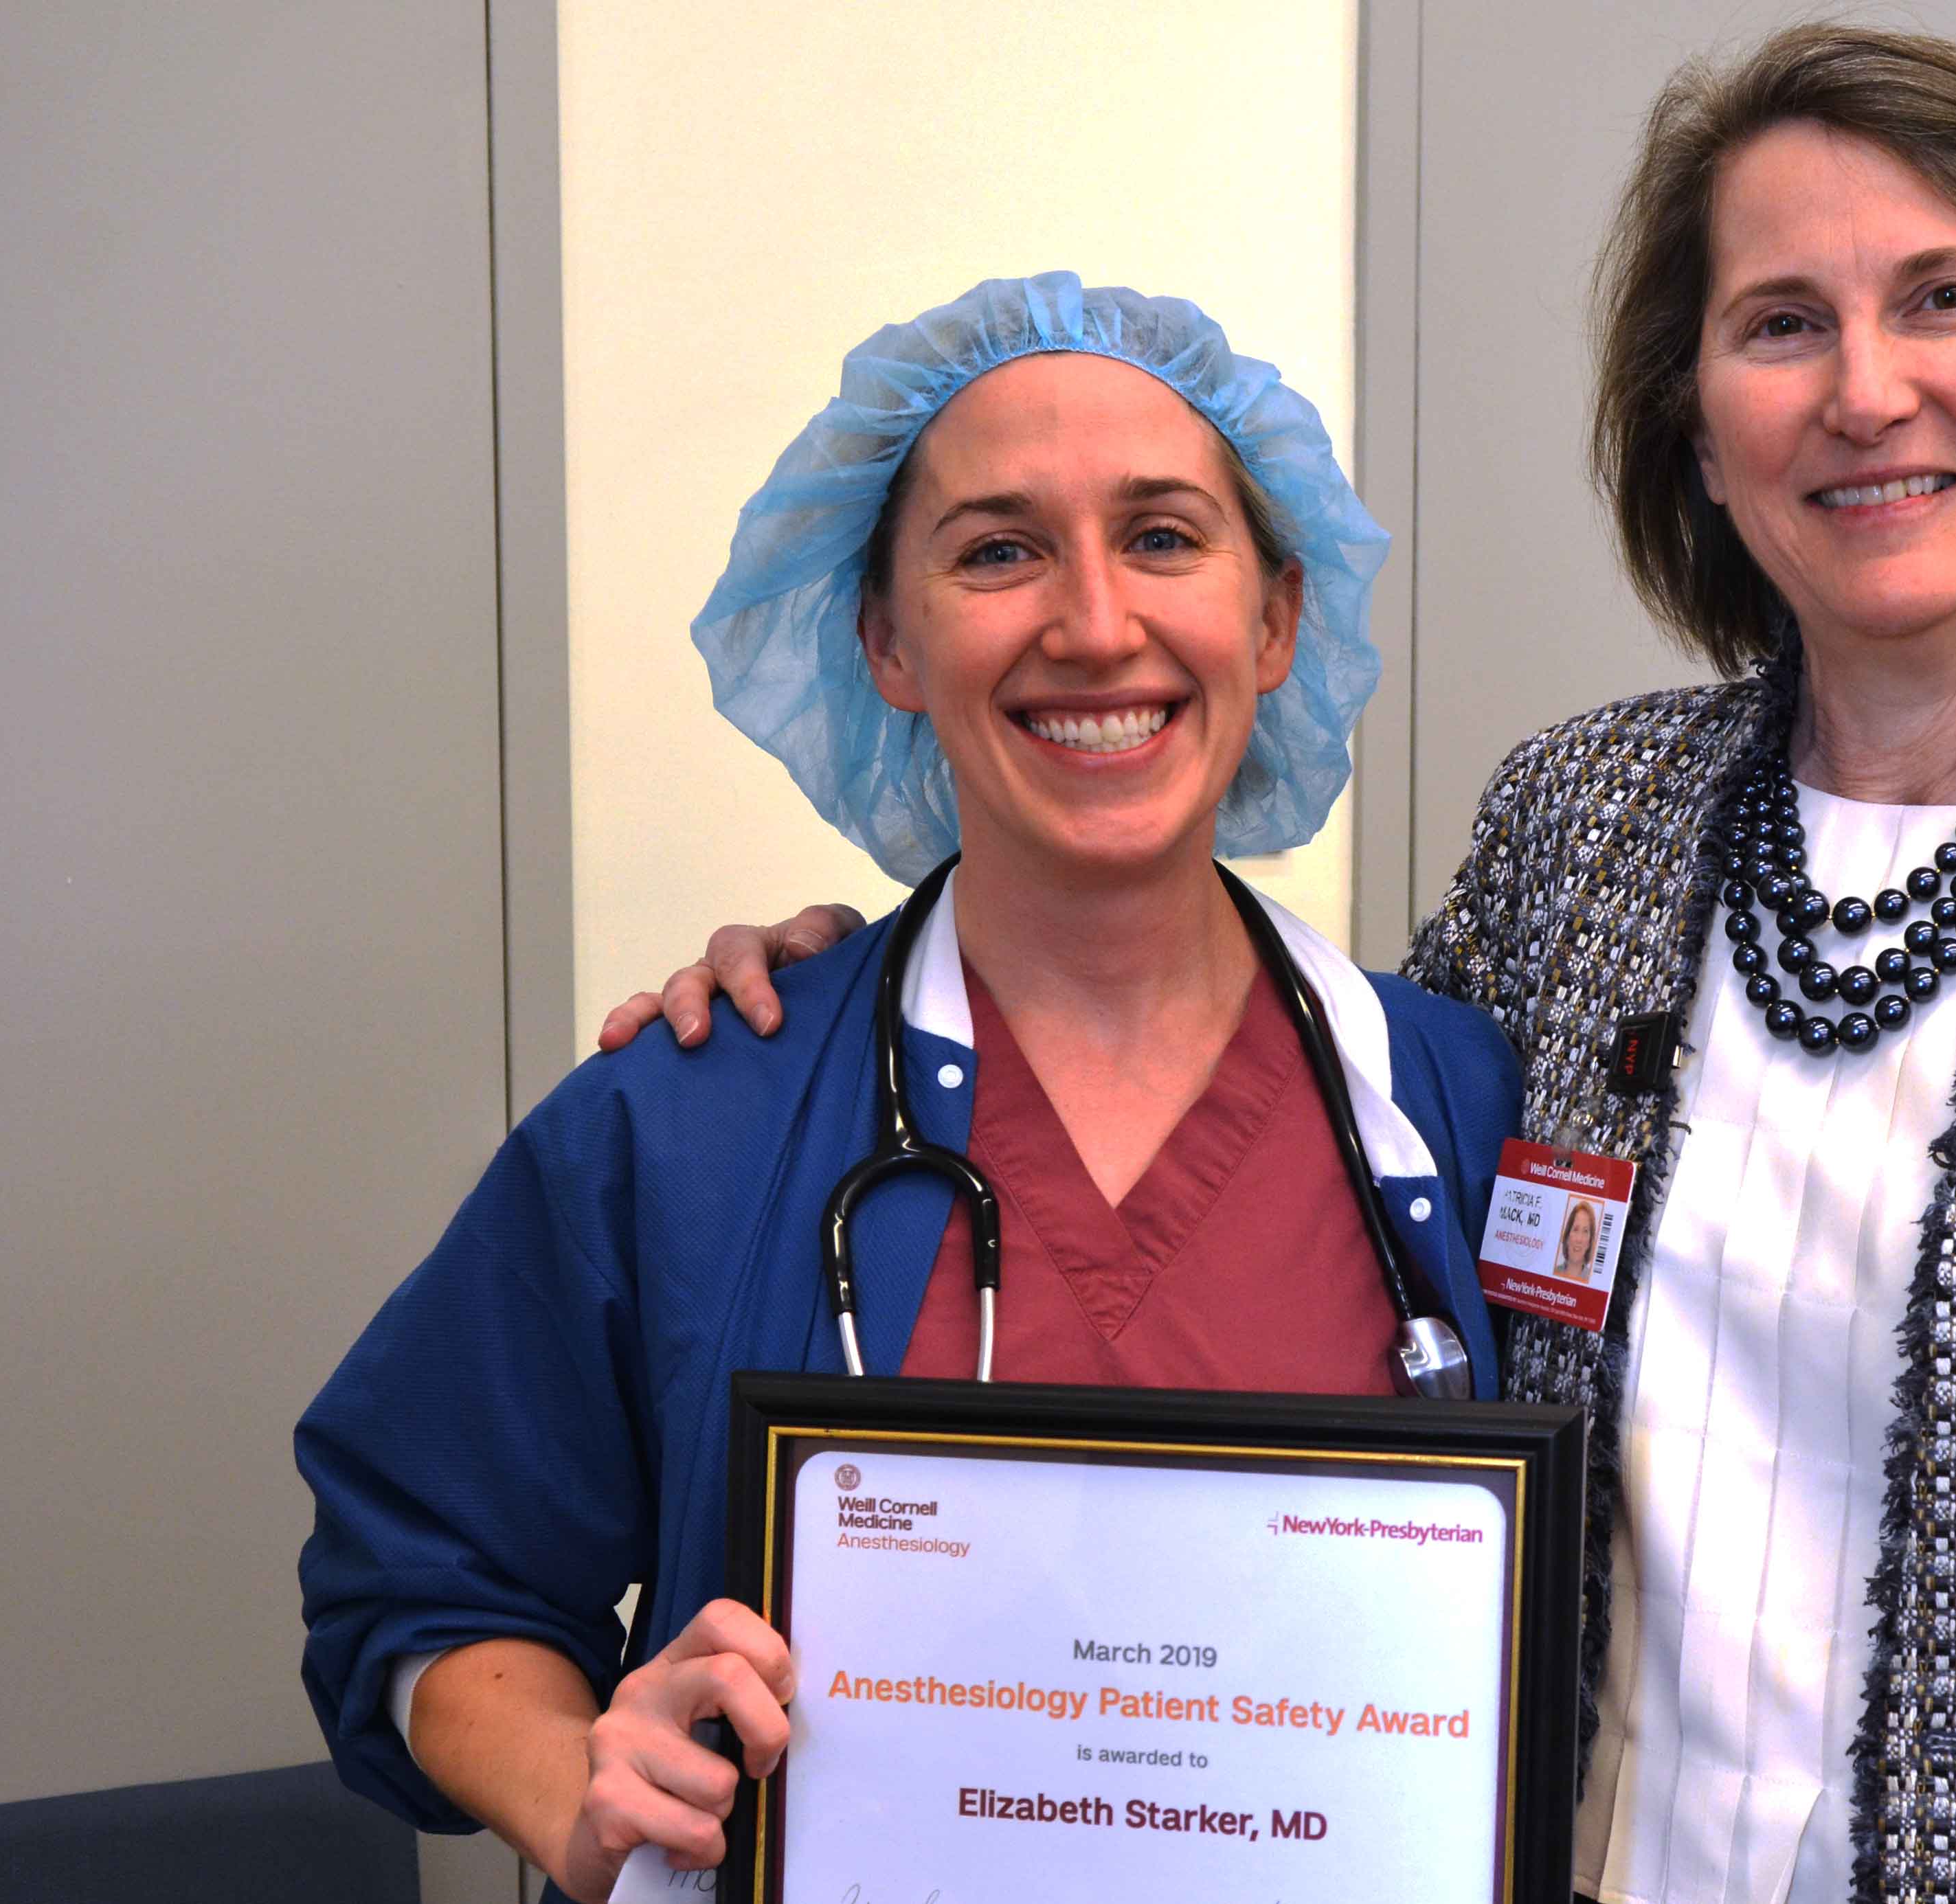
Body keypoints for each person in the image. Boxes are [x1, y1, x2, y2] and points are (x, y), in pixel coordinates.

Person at [616, 28, 1956, 1900]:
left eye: (1944, 298)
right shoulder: (1580, 827)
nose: (1866, 391)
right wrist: (856, 977)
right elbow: (1285, 1105)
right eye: (1779, 323)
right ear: (1694, 419)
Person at [297, 274, 1520, 1904]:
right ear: (885, 637)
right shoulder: (695, 1114)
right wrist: (581, 1788)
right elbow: (424, 1583)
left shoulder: (1455, 1099)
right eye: (998, 550)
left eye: (1163, 536)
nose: (1095, 623)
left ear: (1278, 618)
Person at [1553, 1197, 1601, 1282]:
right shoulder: (1554, 1271)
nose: (1579, 1239)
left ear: (1590, 1242)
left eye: (1585, 1231)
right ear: (1567, 1237)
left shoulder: (1595, 1280)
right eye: (1576, 1229)